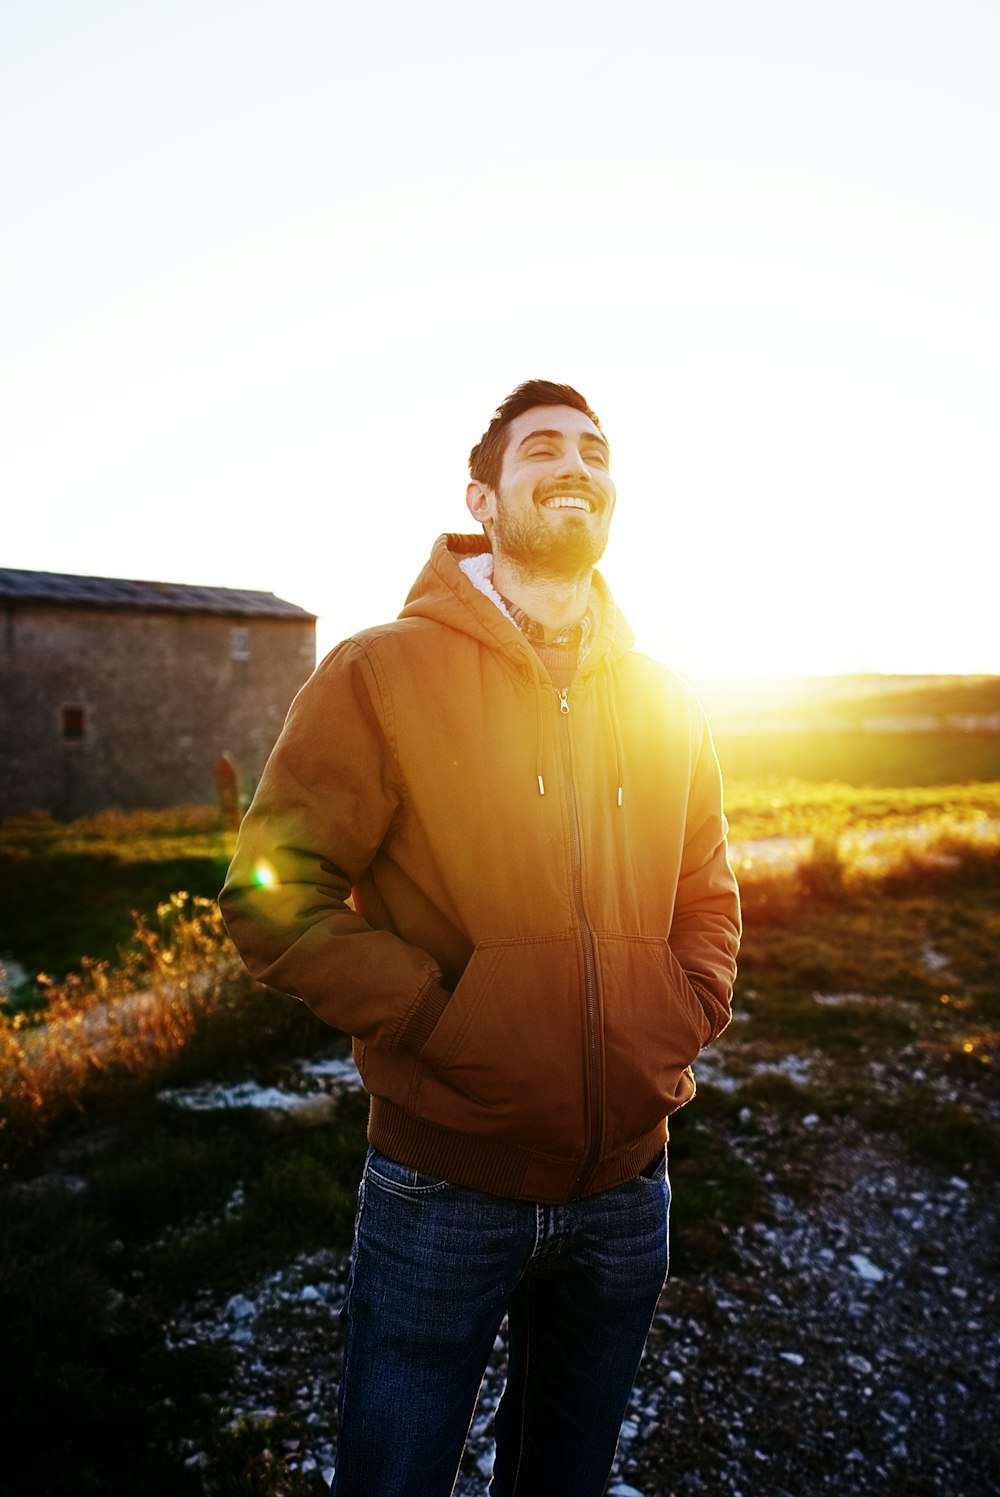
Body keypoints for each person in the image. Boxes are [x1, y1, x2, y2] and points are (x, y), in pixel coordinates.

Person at [219, 379, 741, 1496]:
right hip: (441, 1185)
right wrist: (433, 1019)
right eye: (543, 447)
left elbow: (706, 886)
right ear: (481, 495)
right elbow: (272, 895)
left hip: (628, 1184)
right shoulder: (378, 673)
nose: (577, 466)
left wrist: (686, 1007)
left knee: (565, 1477)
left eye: (596, 452)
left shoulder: (666, 699)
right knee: (396, 1478)